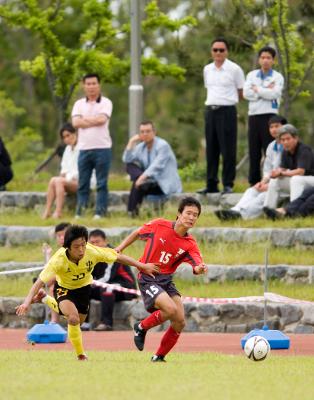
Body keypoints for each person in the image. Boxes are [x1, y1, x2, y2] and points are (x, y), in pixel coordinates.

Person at [16, 224, 160, 361]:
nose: (81, 250)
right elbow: (39, 282)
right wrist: (26, 302)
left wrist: (142, 266)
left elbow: (118, 257)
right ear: (67, 247)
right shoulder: (58, 260)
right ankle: (80, 355)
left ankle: (45, 299)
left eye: (83, 245)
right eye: (76, 247)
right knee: (72, 318)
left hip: (84, 289)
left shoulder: (91, 251)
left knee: (78, 321)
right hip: (64, 289)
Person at [115, 197, 208, 362]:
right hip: (147, 277)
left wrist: (199, 268)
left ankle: (159, 357)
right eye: (188, 213)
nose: (192, 217)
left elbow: (197, 263)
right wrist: (119, 248)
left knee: (179, 321)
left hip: (166, 280)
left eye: (195, 215)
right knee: (170, 310)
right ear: (179, 214)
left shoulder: (190, 243)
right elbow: (137, 233)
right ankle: (141, 327)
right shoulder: (159, 224)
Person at [215, 115, 287, 220]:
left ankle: (242, 216)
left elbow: (286, 171)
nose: (274, 129)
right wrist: (262, 182)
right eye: (271, 127)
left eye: (277, 126)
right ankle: (234, 211)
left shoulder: (289, 146)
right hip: (272, 183)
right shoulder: (271, 146)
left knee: (263, 196)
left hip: (283, 186)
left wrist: (270, 185)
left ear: (285, 127)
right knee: (252, 190)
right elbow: (268, 170)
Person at [197, 37, 245, 195]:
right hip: (210, 111)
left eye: (221, 50)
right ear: (211, 52)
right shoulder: (207, 69)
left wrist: (227, 103)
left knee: (228, 149)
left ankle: (228, 184)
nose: (218, 53)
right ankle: (211, 184)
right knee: (211, 149)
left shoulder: (235, 69)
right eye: (215, 50)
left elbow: (241, 92)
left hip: (227, 111)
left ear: (227, 51)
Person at [72, 73, 113, 219]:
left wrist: (84, 120)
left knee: (102, 183)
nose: (91, 86)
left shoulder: (106, 102)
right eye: (88, 84)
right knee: (83, 183)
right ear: (84, 86)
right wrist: (93, 120)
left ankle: (100, 213)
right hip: (83, 149)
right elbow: (75, 123)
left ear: (99, 85)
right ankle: (80, 212)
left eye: (94, 83)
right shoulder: (78, 104)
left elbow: (102, 119)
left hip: (103, 148)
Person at [81, 229, 137, 331]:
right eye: (92, 243)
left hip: (125, 287)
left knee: (107, 288)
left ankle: (106, 323)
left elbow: (107, 277)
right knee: (84, 289)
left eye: (97, 242)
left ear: (105, 241)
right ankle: (85, 323)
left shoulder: (112, 253)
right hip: (104, 285)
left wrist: (90, 283)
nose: (95, 245)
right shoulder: (90, 255)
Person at [122, 120, 182, 216]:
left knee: (139, 184)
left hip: (163, 184)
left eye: (148, 131)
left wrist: (140, 179)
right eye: (142, 132)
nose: (145, 134)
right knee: (130, 166)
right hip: (149, 182)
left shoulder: (163, 145)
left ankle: (132, 212)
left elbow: (157, 166)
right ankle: (133, 213)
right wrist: (131, 142)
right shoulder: (141, 147)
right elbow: (127, 159)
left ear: (154, 132)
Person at [244, 46, 284, 186]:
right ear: (259, 59)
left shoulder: (277, 77)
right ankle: (253, 183)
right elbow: (246, 94)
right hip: (254, 116)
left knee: (270, 150)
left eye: (268, 58)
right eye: (263, 57)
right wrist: (265, 91)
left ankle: (270, 182)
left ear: (273, 60)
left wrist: (257, 90)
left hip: (270, 116)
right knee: (254, 150)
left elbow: (275, 94)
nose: (265, 60)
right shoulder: (251, 75)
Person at [263, 124, 314, 210]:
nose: (285, 142)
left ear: (296, 138)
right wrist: (275, 173)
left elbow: (300, 171)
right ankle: (268, 209)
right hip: (302, 181)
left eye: (288, 139)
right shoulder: (285, 151)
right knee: (274, 181)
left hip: (311, 180)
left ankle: (292, 211)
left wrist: (282, 173)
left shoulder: (304, 150)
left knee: (296, 179)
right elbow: (282, 168)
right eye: (283, 140)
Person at [42, 124, 79, 219]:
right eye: (64, 137)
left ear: (74, 134)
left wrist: (67, 178)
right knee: (53, 180)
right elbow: (64, 168)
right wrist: (63, 177)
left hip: (80, 182)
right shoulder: (67, 149)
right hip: (68, 181)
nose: (66, 139)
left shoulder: (82, 148)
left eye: (68, 135)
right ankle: (48, 210)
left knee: (58, 180)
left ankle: (58, 212)